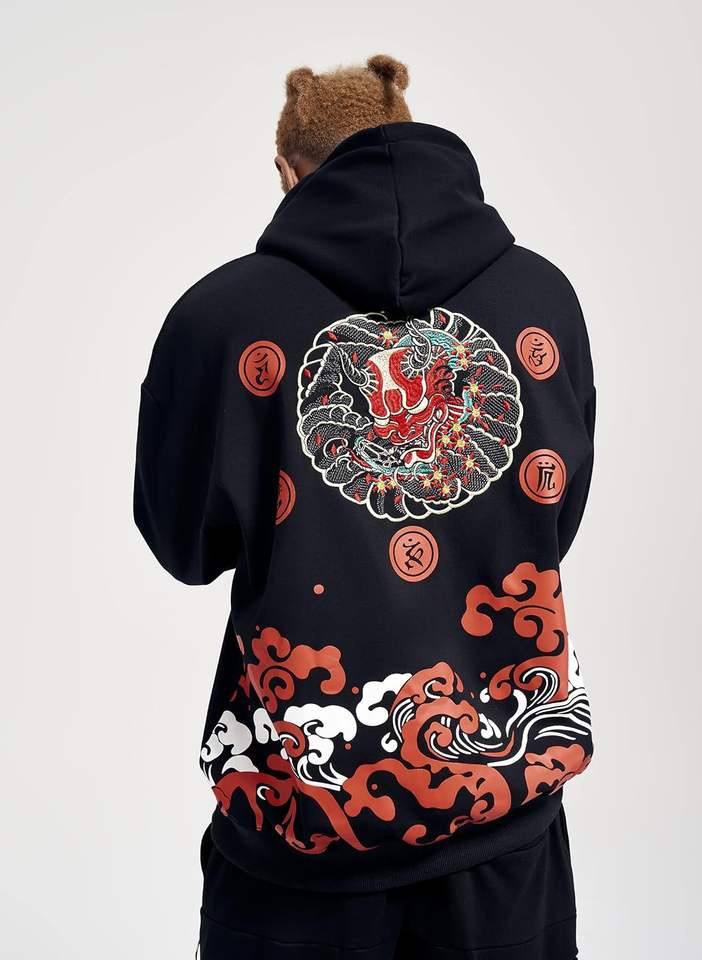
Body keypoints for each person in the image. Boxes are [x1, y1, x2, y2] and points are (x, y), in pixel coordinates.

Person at [135, 54, 596, 960]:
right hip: (506, 819)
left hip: (295, 823)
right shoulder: (543, 300)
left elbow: (185, 544)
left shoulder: (217, 318)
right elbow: (552, 520)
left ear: (287, 172)